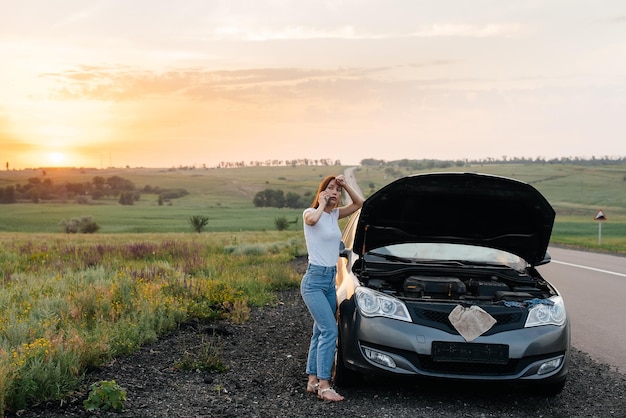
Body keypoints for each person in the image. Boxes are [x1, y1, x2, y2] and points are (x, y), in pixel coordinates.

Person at [300, 173, 364, 402]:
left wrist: (345, 183)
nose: (335, 193)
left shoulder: (335, 215)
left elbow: (359, 204)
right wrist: (323, 204)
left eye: (337, 190)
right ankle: (325, 385)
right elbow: (312, 221)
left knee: (320, 330)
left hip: (329, 282)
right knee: (329, 330)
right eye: (330, 188)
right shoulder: (310, 213)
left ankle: (312, 379)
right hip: (313, 282)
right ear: (321, 192)